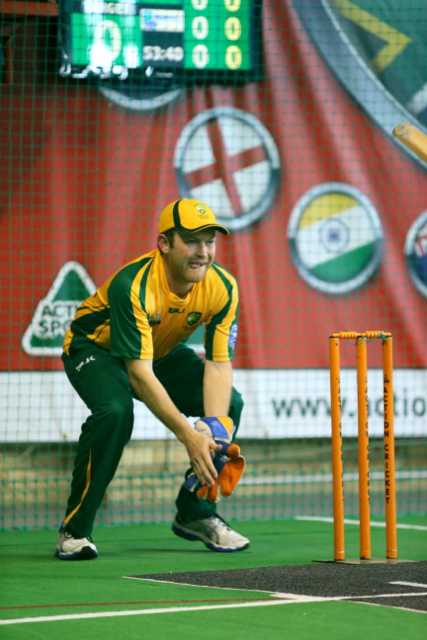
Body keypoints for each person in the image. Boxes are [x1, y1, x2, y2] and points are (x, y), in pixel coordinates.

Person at [56, 198, 249, 560]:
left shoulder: (222, 286)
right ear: (164, 243)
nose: (203, 252)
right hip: (96, 349)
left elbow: (219, 365)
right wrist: (190, 437)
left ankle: (194, 512)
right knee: (115, 412)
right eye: (191, 241)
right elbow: (139, 374)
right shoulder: (134, 284)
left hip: (157, 351)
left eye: (209, 242)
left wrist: (215, 431)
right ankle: (74, 530)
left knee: (230, 406)